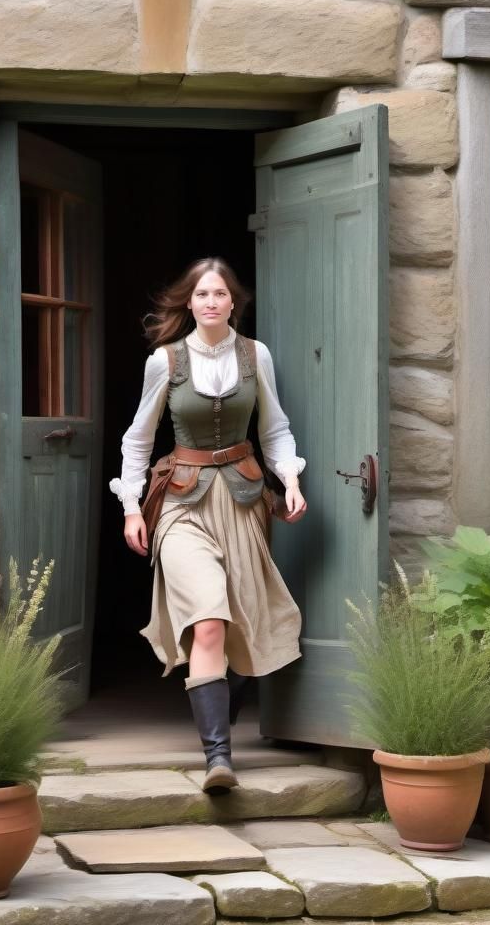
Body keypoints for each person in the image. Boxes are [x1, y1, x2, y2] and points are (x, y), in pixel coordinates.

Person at [109, 257, 307, 794]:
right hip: (181, 502)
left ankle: (220, 710)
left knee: (243, 623)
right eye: (201, 295)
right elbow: (137, 439)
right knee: (209, 618)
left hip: (242, 500)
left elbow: (276, 428)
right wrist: (131, 505)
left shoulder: (254, 355)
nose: (211, 302)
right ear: (189, 303)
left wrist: (288, 478)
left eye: (220, 293)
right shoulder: (165, 361)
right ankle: (218, 758)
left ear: (233, 302)